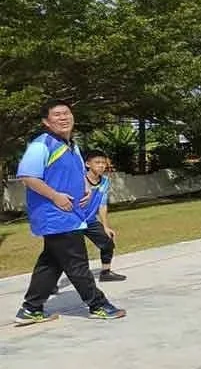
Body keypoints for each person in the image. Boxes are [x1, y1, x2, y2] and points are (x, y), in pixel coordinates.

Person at [13, 101, 126, 325]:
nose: (63, 117)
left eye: (66, 113)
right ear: (46, 122)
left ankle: (31, 308)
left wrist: (85, 188)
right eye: (57, 115)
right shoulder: (42, 144)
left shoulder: (71, 145)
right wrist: (55, 196)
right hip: (56, 215)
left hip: (71, 214)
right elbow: (27, 176)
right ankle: (98, 305)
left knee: (51, 262)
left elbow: (76, 173)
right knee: (77, 262)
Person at [80, 149, 126, 282]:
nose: (101, 165)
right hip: (74, 221)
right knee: (69, 253)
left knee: (107, 242)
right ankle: (49, 282)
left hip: (90, 221)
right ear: (88, 164)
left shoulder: (104, 181)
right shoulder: (79, 179)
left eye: (103, 163)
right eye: (97, 162)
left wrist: (105, 226)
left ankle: (106, 272)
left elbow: (102, 204)